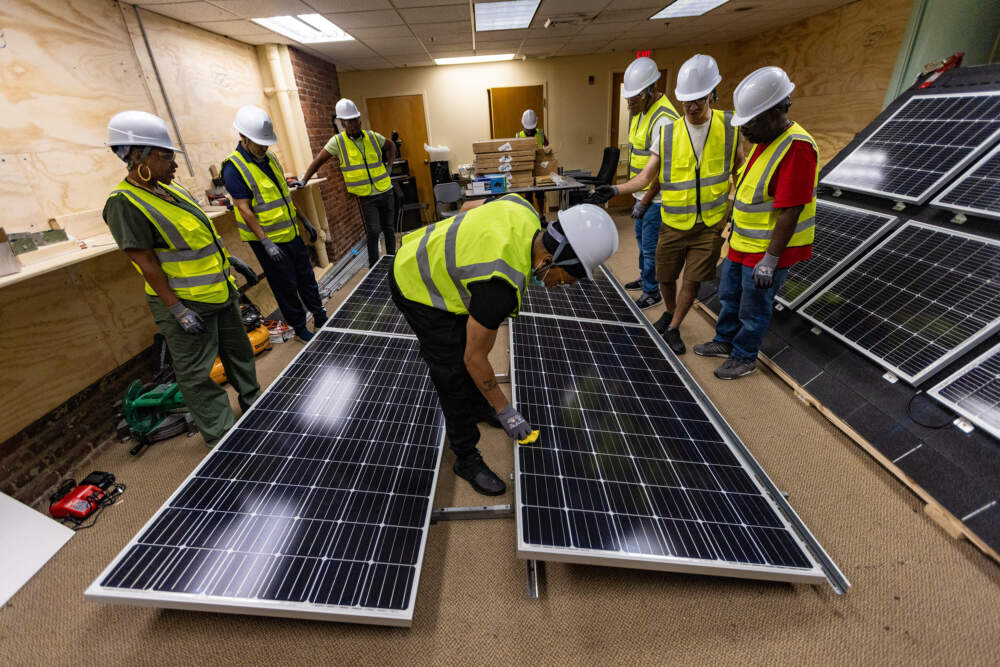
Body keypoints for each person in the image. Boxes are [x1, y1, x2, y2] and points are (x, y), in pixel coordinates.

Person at [390, 196, 618, 495]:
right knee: (452, 371)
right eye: (565, 280)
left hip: (432, 262)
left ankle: (477, 409)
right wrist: (506, 410)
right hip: (416, 284)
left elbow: (468, 208)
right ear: (548, 261)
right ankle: (466, 457)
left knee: (464, 348)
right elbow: (475, 358)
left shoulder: (524, 210)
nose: (561, 287)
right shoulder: (500, 287)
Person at [103, 110, 261, 446]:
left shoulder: (173, 190)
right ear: (137, 156)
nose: (174, 165)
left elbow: (198, 239)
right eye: (165, 157)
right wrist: (177, 310)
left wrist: (231, 261)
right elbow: (145, 262)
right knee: (197, 374)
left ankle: (255, 403)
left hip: (221, 291)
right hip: (186, 304)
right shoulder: (125, 202)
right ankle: (221, 435)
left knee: (240, 355)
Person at [588, 54, 742, 355]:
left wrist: (733, 208)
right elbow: (648, 175)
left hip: (709, 223)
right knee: (665, 276)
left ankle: (673, 326)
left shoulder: (729, 125)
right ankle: (670, 311)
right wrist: (615, 189)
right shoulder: (670, 131)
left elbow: (741, 169)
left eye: (698, 99)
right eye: (686, 101)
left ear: (712, 93)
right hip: (673, 219)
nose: (692, 107)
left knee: (693, 279)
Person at [693, 67, 818, 379]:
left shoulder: (797, 147)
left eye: (751, 121)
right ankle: (724, 341)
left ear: (776, 111)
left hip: (767, 251)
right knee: (729, 296)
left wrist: (771, 259)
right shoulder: (765, 139)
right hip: (743, 243)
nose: (744, 129)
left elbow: (790, 210)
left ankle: (744, 356)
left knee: (754, 306)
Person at [221, 105, 327, 342]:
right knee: (286, 285)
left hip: (291, 232)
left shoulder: (270, 159)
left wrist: (305, 220)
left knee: (306, 277)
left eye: (266, 142)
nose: (264, 147)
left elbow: (283, 196)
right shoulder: (233, 167)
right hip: (268, 241)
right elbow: (244, 209)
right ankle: (300, 327)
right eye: (259, 143)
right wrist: (266, 242)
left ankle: (319, 315)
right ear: (243, 137)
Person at [300, 98, 397, 268]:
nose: (354, 124)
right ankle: (374, 267)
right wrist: (303, 180)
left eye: (356, 119)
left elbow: (391, 146)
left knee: (389, 228)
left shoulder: (373, 137)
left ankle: (392, 261)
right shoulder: (337, 142)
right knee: (374, 231)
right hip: (367, 197)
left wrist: (389, 167)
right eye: (349, 121)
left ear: (360, 119)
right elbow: (318, 161)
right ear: (343, 123)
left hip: (386, 190)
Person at [620, 56, 680, 311]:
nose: (629, 101)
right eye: (628, 96)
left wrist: (644, 201)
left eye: (634, 96)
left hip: (656, 199)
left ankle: (652, 290)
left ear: (650, 90)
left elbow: (663, 171)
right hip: (641, 194)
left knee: (651, 248)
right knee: (642, 242)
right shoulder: (639, 113)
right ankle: (645, 278)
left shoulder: (665, 119)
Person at [516, 109, 550, 223]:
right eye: (528, 128)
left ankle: (541, 215)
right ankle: (531, 216)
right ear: (523, 125)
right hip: (526, 170)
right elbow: (516, 153)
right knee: (528, 194)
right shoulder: (518, 136)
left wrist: (546, 153)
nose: (530, 131)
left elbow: (548, 148)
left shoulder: (540, 134)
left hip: (539, 168)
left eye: (532, 128)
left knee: (540, 193)